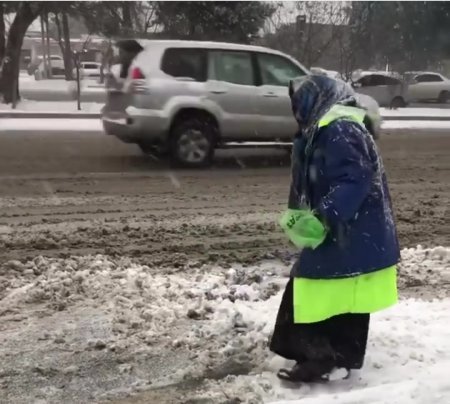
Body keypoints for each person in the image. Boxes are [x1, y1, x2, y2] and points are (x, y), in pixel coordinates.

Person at [270, 75, 400, 383]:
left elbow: (354, 179)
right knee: (346, 297)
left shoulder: (340, 128)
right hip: (350, 232)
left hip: (349, 230)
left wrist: (323, 217)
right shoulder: (323, 129)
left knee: (312, 288)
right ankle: (338, 358)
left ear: (317, 100)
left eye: (300, 104)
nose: (297, 112)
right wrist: (299, 216)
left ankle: (320, 357)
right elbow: (311, 180)